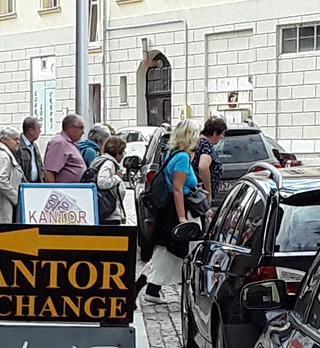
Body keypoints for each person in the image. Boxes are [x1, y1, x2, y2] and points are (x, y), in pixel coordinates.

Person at [139, 119, 203, 298]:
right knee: (183, 253)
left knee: (164, 254)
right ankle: (185, 291)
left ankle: (148, 289)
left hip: (170, 211)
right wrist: (182, 218)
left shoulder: (173, 154)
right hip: (178, 212)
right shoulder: (182, 157)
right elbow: (177, 188)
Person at [0, 127, 24, 222]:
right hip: (2, 202)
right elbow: (0, 179)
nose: (18, 142)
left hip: (5, 201)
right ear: (4, 140)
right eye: (14, 139)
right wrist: (16, 197)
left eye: (18, 139)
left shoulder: (6, 154)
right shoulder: (3, 157)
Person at [43, 114, 89, 184]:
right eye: (81, 128)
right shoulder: (59, 143)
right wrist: (53, 190)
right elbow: (49, 172)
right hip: (63, 191)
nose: (83, 132)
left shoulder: (70, 143)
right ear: (70, 128)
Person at [194, 116, 228, 203]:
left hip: (197, 192)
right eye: (221, 134)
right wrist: (208, 191)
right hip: (201, 195)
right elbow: (203, 167)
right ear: (215, 133)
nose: (222, 137)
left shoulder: (198, 143)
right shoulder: (206, 146)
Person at [94, 136, 128, 223]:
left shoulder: (99, 160)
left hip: (106, 212)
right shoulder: (109, 163)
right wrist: (117, 177)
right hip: (109, 215)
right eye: (123, 152)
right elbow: (102, 183)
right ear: (118, 152)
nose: (123, 155)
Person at [17, 117, 44, 184]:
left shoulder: (34, 146)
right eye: (38, 129)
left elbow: (40, 166)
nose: (39, 132)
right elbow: (18, 171)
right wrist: (27, 185)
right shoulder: (18, 146)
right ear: (31, 130)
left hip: (36, 185)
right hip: (25, 186)